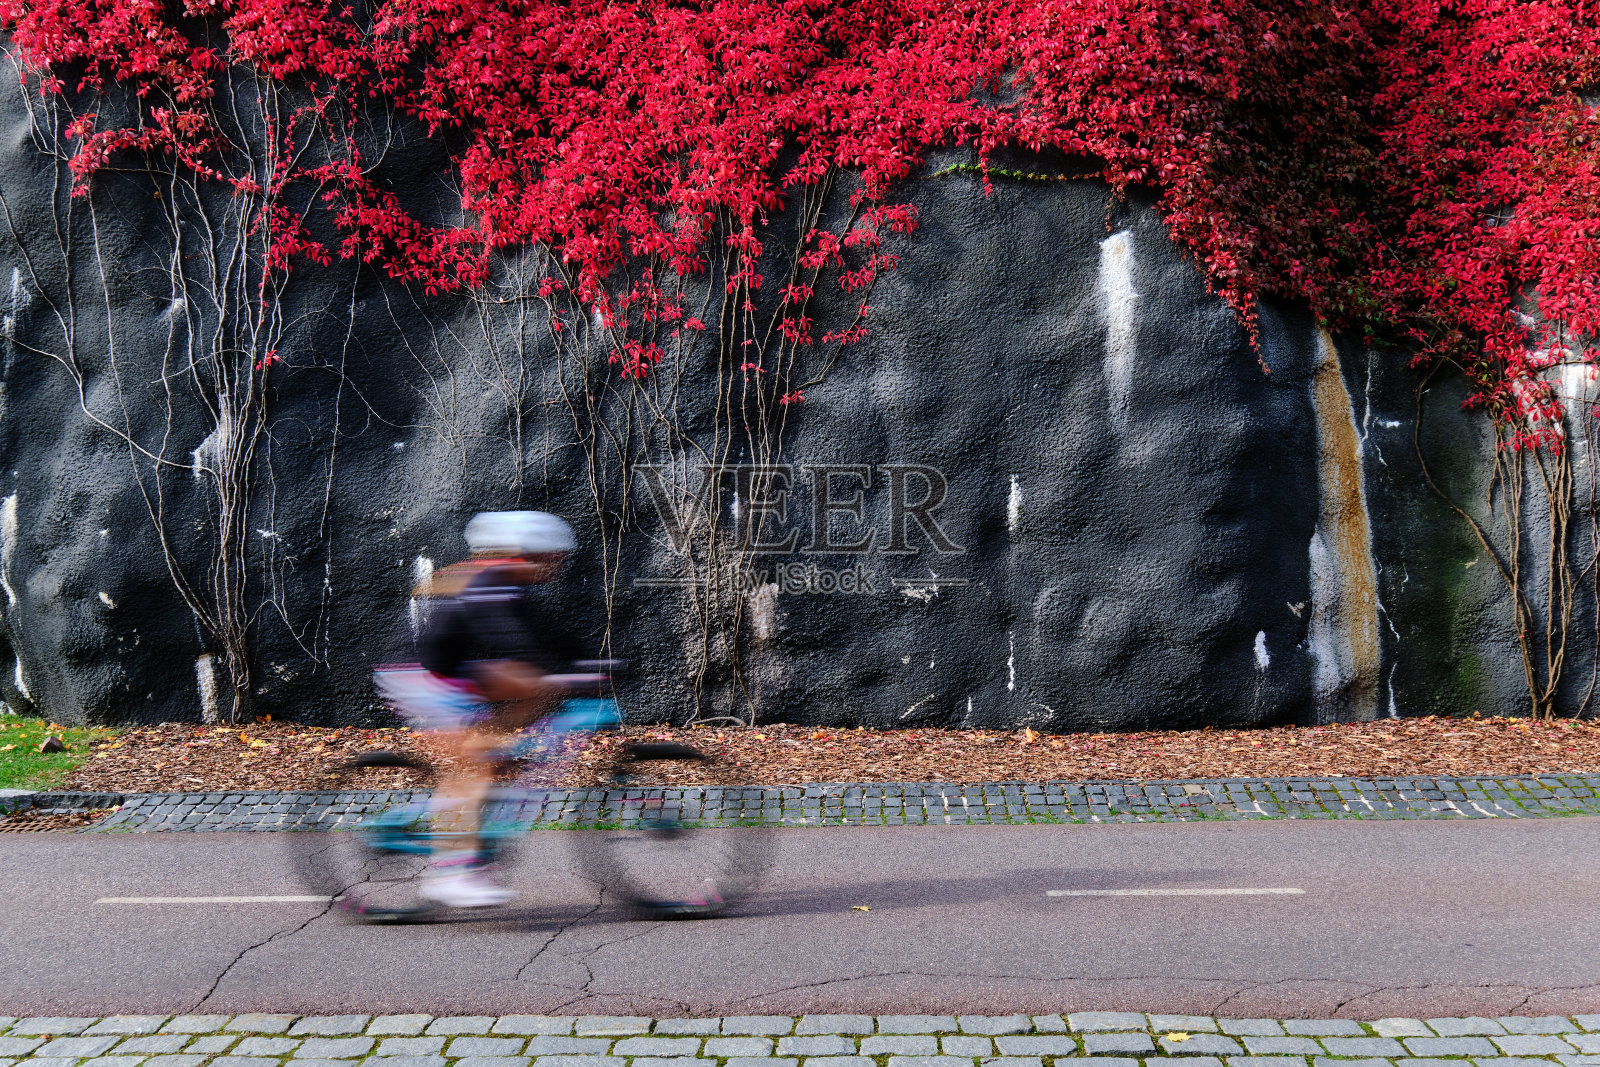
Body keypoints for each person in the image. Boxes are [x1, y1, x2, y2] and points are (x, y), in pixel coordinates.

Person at [374, 510, 579, 908]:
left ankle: (490, 746)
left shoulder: (511, 585)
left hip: (451, 671)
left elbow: (550, 636)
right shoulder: (488, 581)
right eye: (551, 558)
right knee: (478, 766)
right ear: (523, 555)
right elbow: (503, 635)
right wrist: (554, 669)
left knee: (536, 689)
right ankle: (451, 874)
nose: (556, 567)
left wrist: (594, 663)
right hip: (414, 674)